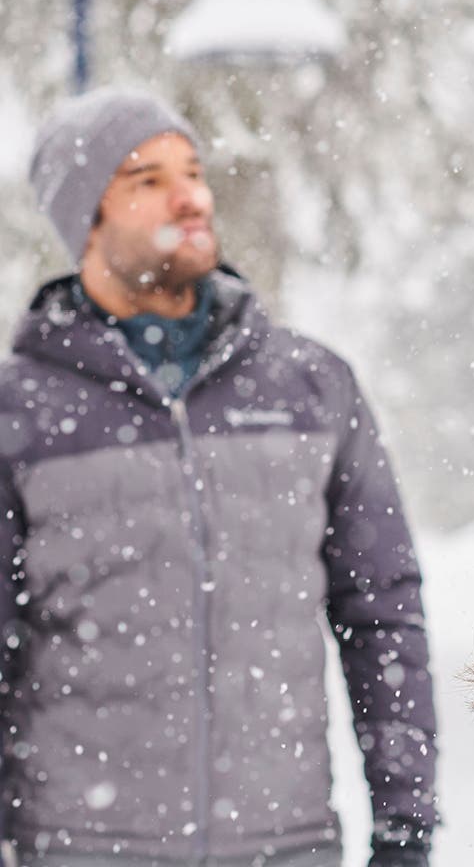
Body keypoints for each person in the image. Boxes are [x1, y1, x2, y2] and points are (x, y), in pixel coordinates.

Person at [0, 88, 436, 867]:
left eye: (193, 170)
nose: (192, 196)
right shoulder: (21, 413)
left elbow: (382, 614)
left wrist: (404, 823)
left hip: (287, 845)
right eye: (147, 179)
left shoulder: (310, 387)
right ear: (85, 219)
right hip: (79, 849)